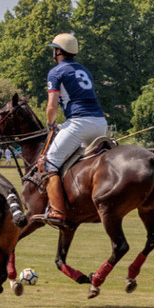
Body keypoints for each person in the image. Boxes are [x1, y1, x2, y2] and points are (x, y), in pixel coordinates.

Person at [41, 33, 108, 227]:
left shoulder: (56, 72)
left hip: (79, 123)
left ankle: (57, 211)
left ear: (58, 51)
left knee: (48, 164)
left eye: (54, 49)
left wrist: (50, 123)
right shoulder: (85, 70)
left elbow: (52, 107)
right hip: (100, 122)